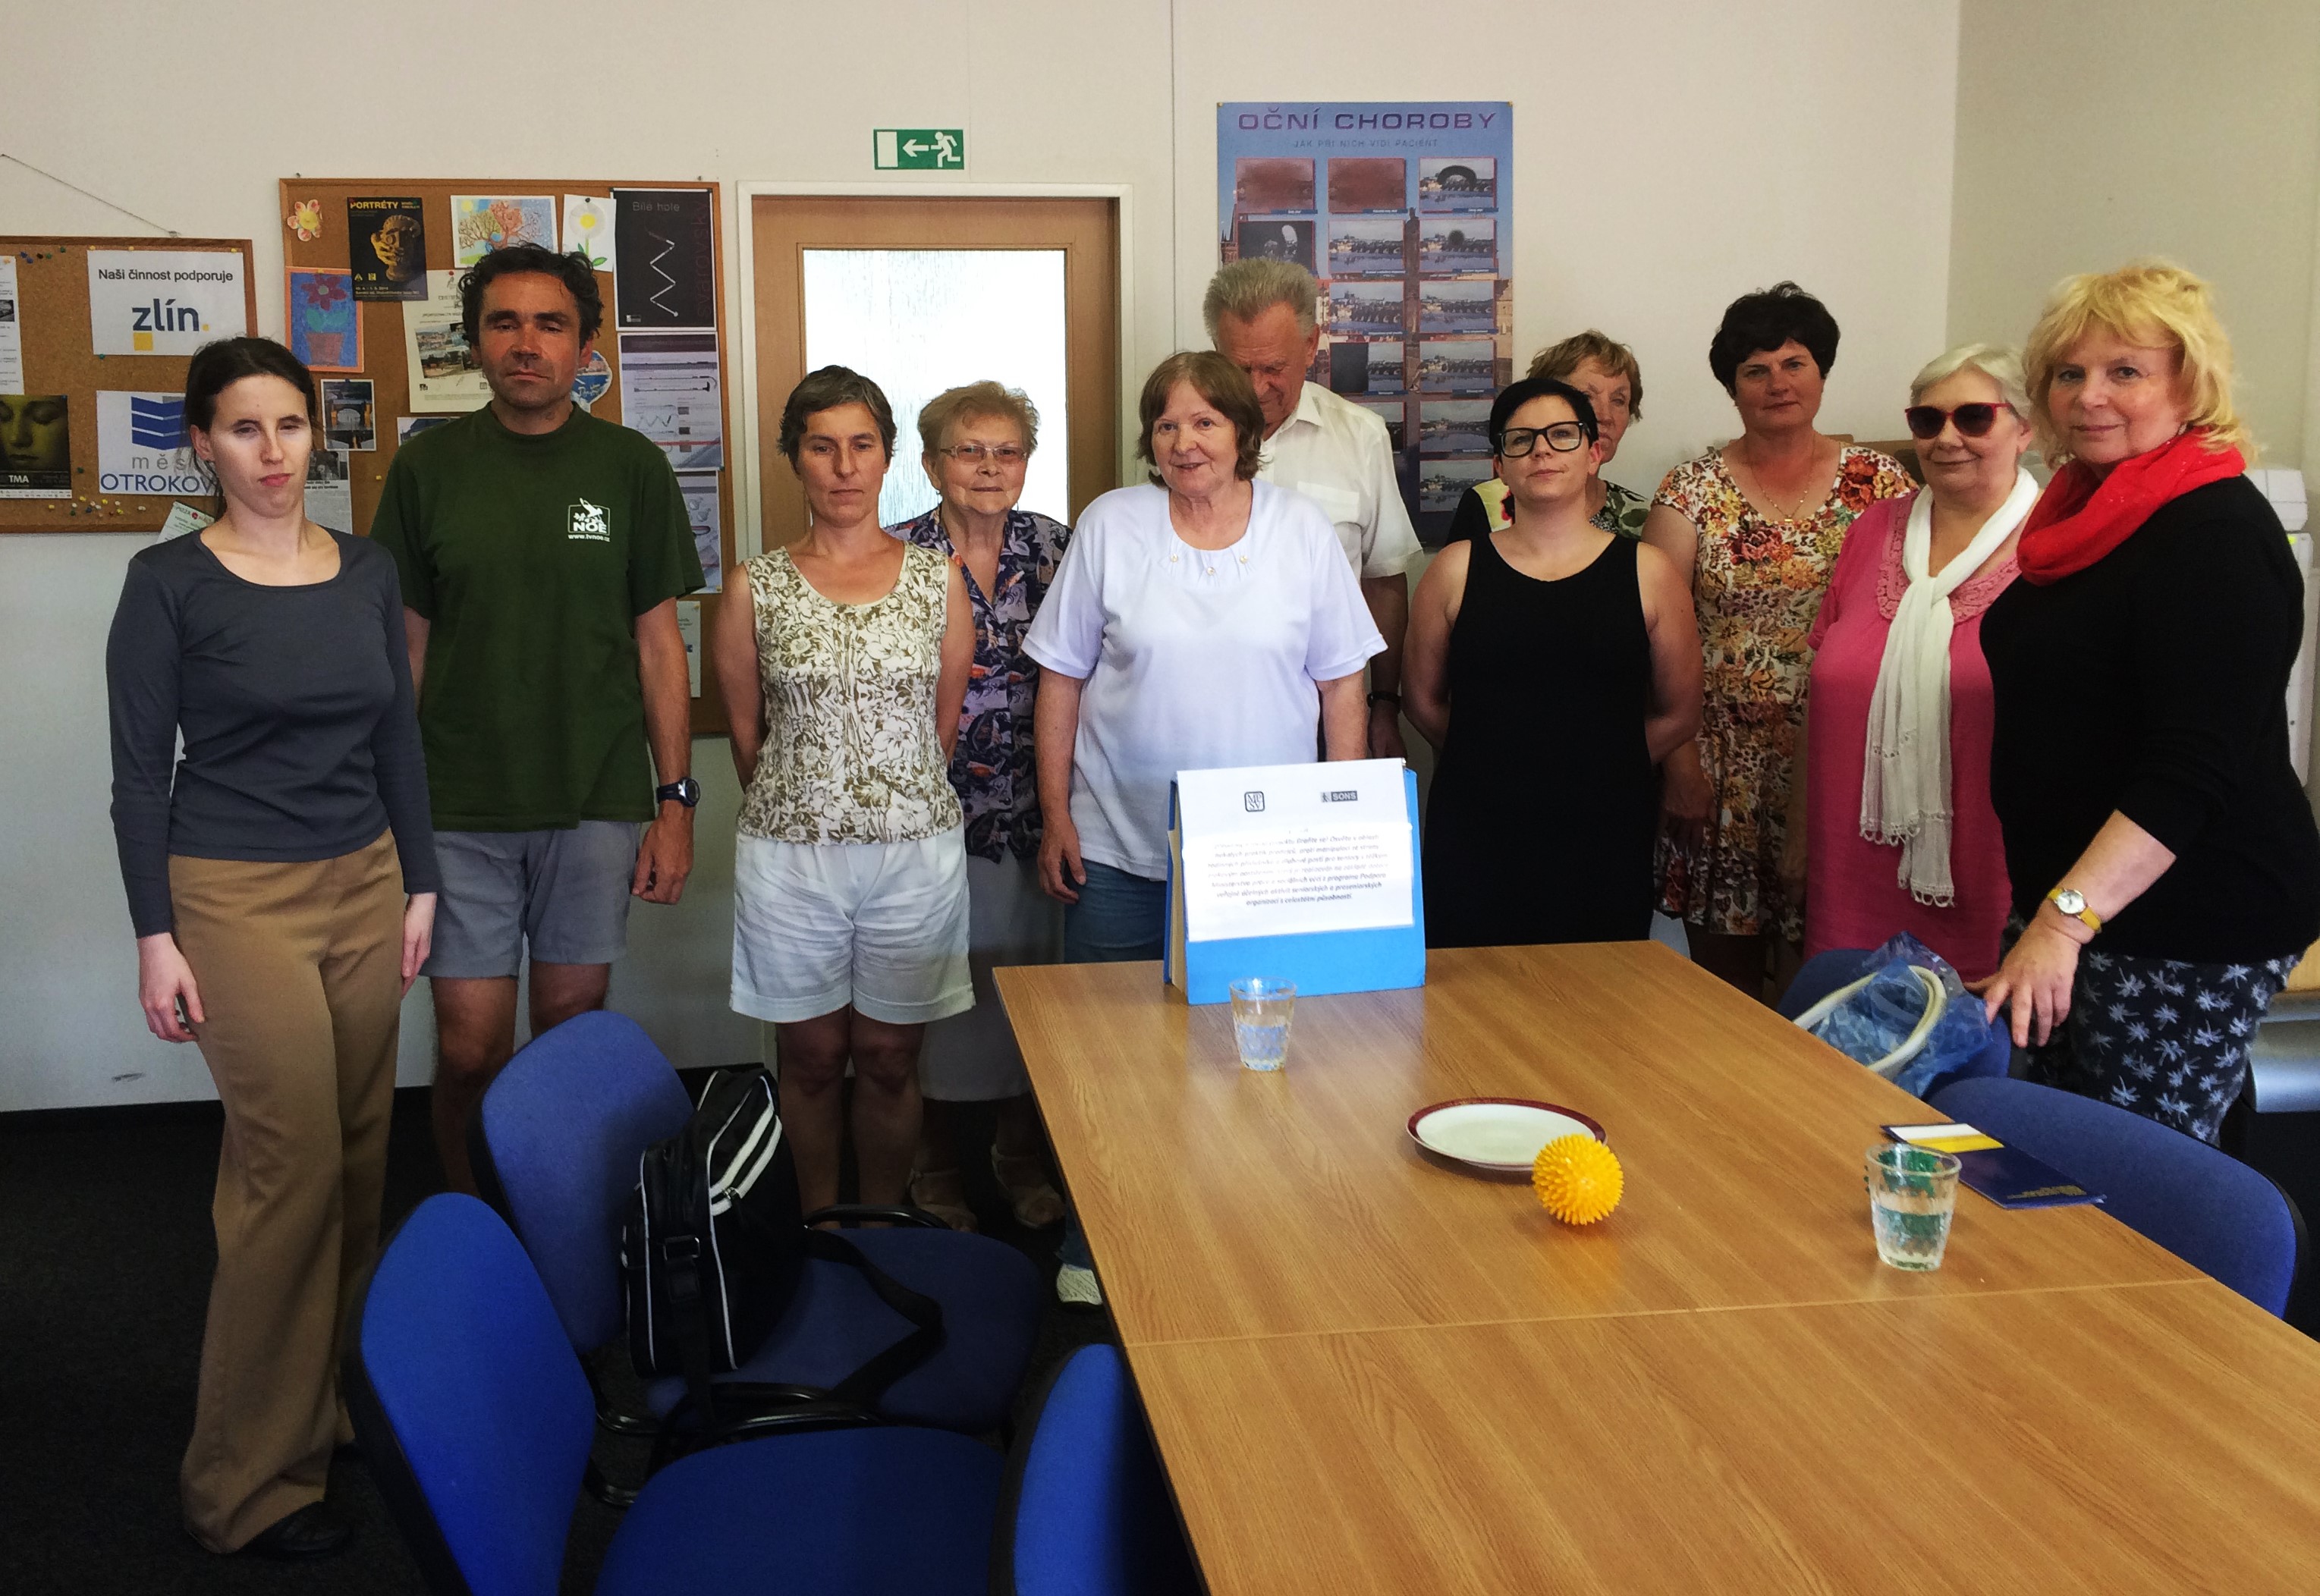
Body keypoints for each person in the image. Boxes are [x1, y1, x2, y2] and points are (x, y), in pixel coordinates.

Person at [106, 338, 439, 1560]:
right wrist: (155, 936)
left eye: (290, 425)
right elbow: (140, 779)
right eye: (243, 429)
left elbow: (396, 741)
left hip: (366, 883)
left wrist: (420, 882)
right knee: (285, 1173)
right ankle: (244, 1486)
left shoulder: (365, 569)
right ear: (203, 443)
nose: (271, 451)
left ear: (316, 435)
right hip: (233, 896)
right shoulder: (167, 583)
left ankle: (319, 1409)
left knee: (357, 1161)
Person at [1025, 350, 1383, 1303]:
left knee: (1257, 1057)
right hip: (1118, 842)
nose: (1185, 442)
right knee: (1108, 1062)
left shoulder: (1301, 531)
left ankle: (1247, 1229)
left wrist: (1339, 818)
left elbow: (1342, 683)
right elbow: (1060, 677)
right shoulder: (1112, 525)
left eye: (1206, 422)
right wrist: (1056, 814)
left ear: (1243, 434)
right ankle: (1094, 1246)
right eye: (1167, 424)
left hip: (1262, 860)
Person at [369, 244, 703, 1193]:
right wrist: (388, 805)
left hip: (592, 798)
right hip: (456, 804)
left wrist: (675, 802)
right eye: (504, 323)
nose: (527, 343)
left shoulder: (630, 466)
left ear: (585, 347)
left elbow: (659, 648)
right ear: (476, 343)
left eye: (550, 324)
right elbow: (406, 650)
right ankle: (475, 1219)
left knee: (568, 1034)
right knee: (470, 1049)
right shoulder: (428, 469)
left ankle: (564, 1221)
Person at [1976, 262, 2320, 1145]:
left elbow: (2189, 769)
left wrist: (2062, 924)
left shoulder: (2213, 533)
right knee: (2045, 1168)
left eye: (2124, 371)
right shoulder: (2083, 514)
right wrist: (2055, 916)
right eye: (2069, 372)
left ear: (2188, 387)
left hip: (2184, 926)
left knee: (2129, 1189)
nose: (2089, 395)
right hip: (2079, 909)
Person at [715, 366, 976, 1211]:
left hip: (914, 857)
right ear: (795, 457)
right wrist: (812, 797)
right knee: (813, 1058)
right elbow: (748, 740)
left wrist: (888, 797)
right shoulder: (754, 587)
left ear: (887, 457)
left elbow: (940, 729)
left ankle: (883, 1221)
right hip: (792, 858)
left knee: (891, 1058)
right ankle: (821, 1229)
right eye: (821, 446)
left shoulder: (938, 581)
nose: (843, 465)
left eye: (862, 445)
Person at [1641, 282, 1915, 997]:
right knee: (1725, 987)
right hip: (1720, 762)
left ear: (1822, 372)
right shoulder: (1692, 490)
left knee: (1827, 971)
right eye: (1755, 371)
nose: (1778, 384)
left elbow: (1908, 619)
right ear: (1732, 389)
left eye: (1795, 364)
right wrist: (1680, 764)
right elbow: (1653, 639)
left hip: (1842, 753)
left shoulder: (1881, 484)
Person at [1404, 376, 1701, 946]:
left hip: (1604, 826)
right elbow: (1422, 700)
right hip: (1477, 825)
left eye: (1562, 435)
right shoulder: (1456, 568)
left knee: (1596, 989)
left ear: (1593, 453)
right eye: (1521, 440)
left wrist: (1600, 767)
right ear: (1499, 466)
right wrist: (1497, 762)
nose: (1541, 450)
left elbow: (1681, 711)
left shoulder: (1649, 571)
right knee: (1474, 989)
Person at [1782, 346, 2038, 981]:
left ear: (2025, 429)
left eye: (1974, 417)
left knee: (1970, 1042)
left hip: (1992, 880)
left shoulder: (2055, 546)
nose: (1947, 438)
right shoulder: (1872, 529)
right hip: (1848, 869)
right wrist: (1798, 838)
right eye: (1927, 420)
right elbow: (1822, 691)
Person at [886, 381, 1070, 1232]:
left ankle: (1019, 1155)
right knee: (929, 991)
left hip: (1038, 810)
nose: (990, 467)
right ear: (932, 466)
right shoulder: (894, 555)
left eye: (1007, 451)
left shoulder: (1060, 547)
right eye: (969, 450)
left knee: (1029, 991)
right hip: (927, 815)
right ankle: (932, 1164)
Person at [1206, 258, 1419, 757]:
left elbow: (1383, 582)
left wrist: (1384, 704)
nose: (1256, 388)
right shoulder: (1186, 442)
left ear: (1310, 345)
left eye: (1273, 369)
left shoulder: (1359, 436)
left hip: (1332, 704)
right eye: (1240, 369)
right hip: (1210, 703)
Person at [1444, 331, 1652, 543]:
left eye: (1618, 401)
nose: (1605, 416)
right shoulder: (1487, 504)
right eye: (1586, 397)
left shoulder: (1643, 517)